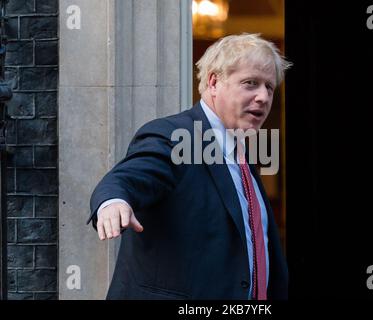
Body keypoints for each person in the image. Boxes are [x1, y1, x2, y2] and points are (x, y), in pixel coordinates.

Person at [88, 33, 291, 300]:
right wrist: (113, 201)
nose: (263, 97)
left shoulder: (241, 153)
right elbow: (130, 177)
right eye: (250, 83)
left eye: (269, 87)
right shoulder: (177, 136)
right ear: (214, 82)